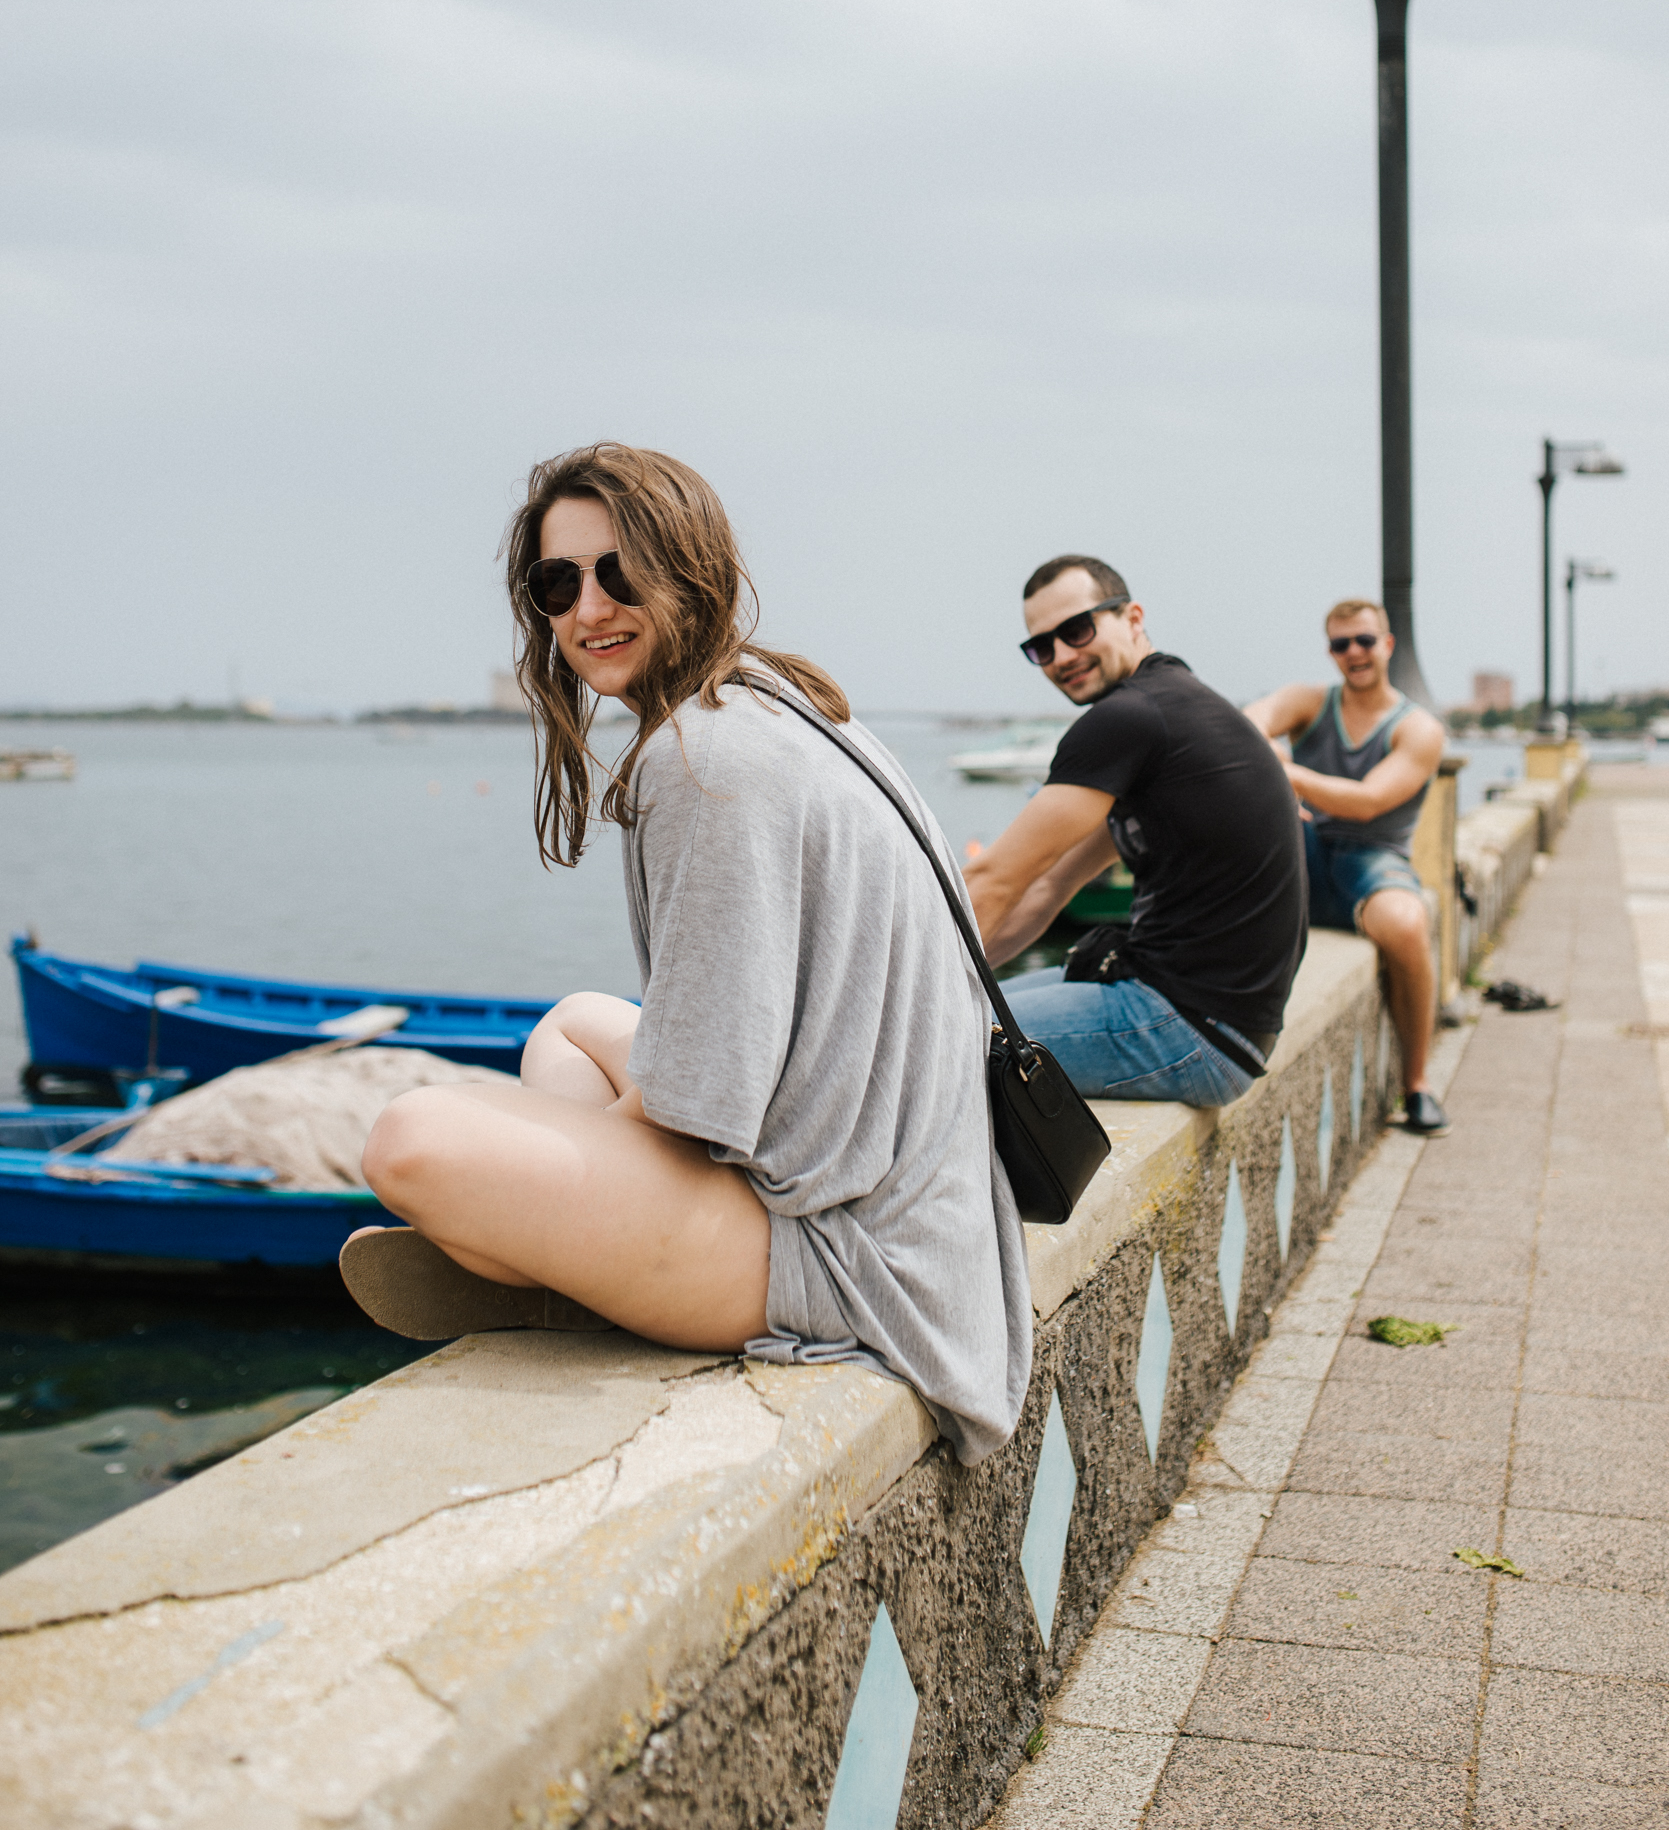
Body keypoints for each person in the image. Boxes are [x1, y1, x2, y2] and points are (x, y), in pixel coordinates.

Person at [344, 442, 1030, 1465]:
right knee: (574, 1024)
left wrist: (548, 1201)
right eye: (557, 583)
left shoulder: (701, 762)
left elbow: (699, 1106)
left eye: (619, 572)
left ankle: (573, 1276)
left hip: (853, 1262)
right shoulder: (776, 699)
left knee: (410, 1138)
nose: (588, 609)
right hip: (921, 1216)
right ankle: (582, 1261)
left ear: (690, 568)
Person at [962, 555, 1307, 1109]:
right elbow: (1047, 886)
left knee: (939, 1039)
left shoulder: (1130, 717)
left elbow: (994, 877)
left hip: (1190, 1027)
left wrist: (904, 1003)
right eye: (1042, 647)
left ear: (1133, 618)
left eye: (1077, 630)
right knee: (964, 1008)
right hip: (1215, 1018)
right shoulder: (1171, 706)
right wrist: (953, 985)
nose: (1062, 656)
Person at [1244, 599, 1448, 1135]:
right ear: (1331, 652)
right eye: (1341, 644)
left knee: (1407, 926)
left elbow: (1367, 801)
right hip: (1305, 844)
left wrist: (1284, 772)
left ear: (1387, 644)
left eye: (1364, 640)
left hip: (1373, 856)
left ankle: (1418, 1084)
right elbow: (1247, 723)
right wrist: (1268, 753)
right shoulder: (1310, 701)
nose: (1354, 652)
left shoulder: (1418, 729)